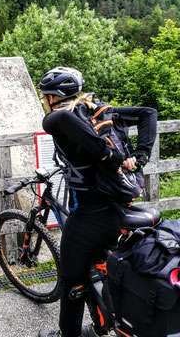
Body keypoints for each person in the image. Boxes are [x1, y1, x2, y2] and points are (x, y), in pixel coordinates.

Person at [37, 67, 157, 337]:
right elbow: (148, 113)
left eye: (43, 96)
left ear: (51, 98)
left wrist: (109, 156)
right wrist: (141, 155)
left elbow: (62, 121)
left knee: (72, 281)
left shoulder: (56, 118)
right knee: (105, 266)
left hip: (90, 217)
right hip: (120, 206)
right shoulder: (97, 110)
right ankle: (104, 323)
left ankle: (68, 335)